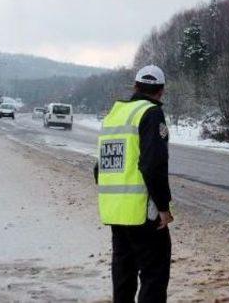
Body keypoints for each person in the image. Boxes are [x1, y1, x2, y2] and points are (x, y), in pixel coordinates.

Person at [94, 65, 173, 303]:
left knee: (123, 274)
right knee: (154, 276)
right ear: (161, 91)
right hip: (142, 213)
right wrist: (163, 207)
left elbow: (100, 168)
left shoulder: (113, 115)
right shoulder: (150, 113)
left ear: (135, 86)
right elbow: (153, 165)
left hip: (115, 212)